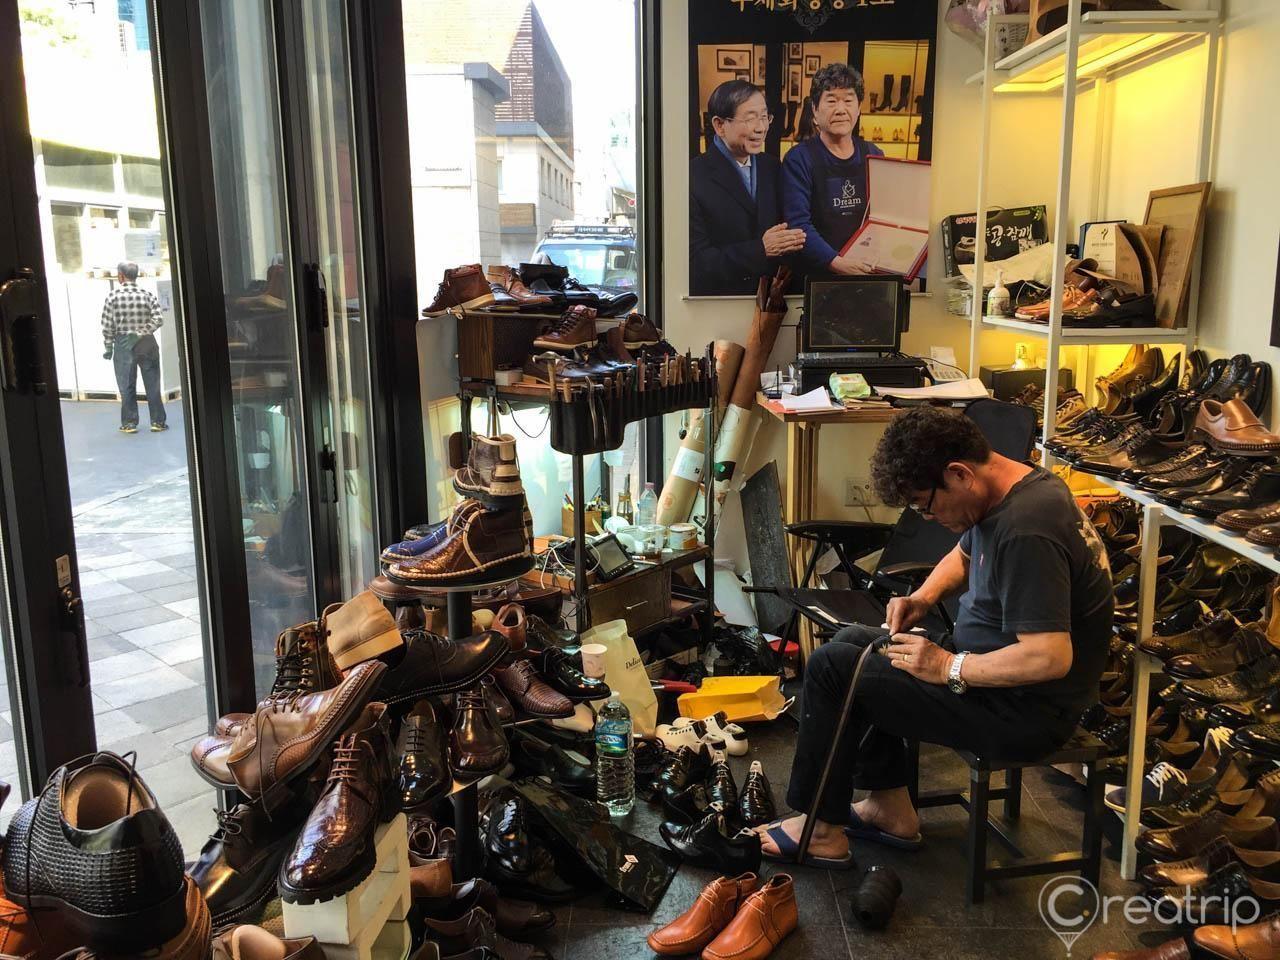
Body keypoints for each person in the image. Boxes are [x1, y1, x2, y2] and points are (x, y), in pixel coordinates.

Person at [756, 407, 1113, 865]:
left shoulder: (1028, 529)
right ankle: (890, 809)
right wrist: (921, 599)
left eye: (927, 506)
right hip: (993, 681)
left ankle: (820, 829)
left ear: (958, 474)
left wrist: (947, 667)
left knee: (832, 669)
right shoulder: (1010, 488)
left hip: (1024, 712)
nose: (927, 518)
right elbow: (965, 556)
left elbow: (1049, 657)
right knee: (858, 643)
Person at [689, 79, 806, 295]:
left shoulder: (773, 167)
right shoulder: (693, 177)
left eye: (764, 117)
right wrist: (760, 250)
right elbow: (697, 261)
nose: (761, 128)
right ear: (720, 125)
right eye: (751, 118)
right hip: (717, 304)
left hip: (772, 303)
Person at [781, 63, 885, 278]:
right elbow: (799, 224)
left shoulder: (873, 154)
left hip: (866, 272)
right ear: (815, 110)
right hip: (816, 278)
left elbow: (885, 216)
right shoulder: (798, 159)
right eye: (831, 101)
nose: (841, 109)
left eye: (848, 100)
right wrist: (836, 262)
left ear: (858, 108)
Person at [101, 261, 166, 434]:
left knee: (127, 384)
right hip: (146, 342)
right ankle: (158, 422)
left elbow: (107, 325)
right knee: (153, 383)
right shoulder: (147, 295)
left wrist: (108, 346)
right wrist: (140, 332)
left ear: (121, 275)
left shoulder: (113, 296)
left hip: (123, 343)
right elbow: (158, 319)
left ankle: (129, 423)